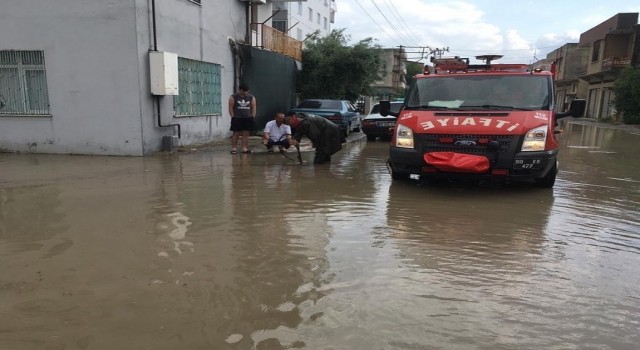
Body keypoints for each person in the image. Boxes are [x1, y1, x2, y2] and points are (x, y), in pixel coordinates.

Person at [228, 83, 256, 154]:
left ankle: (244, 148)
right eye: (243, 91)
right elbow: (230, 108)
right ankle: (234, 148)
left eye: (246, 91)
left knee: (246, 134)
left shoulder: (251, 97)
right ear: (240, 90)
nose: (245, 93)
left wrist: (252, 117)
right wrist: (233, 117)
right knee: (235, 133)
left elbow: (253, 108)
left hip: (247, 118)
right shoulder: (233, 97)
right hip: (237, 118)